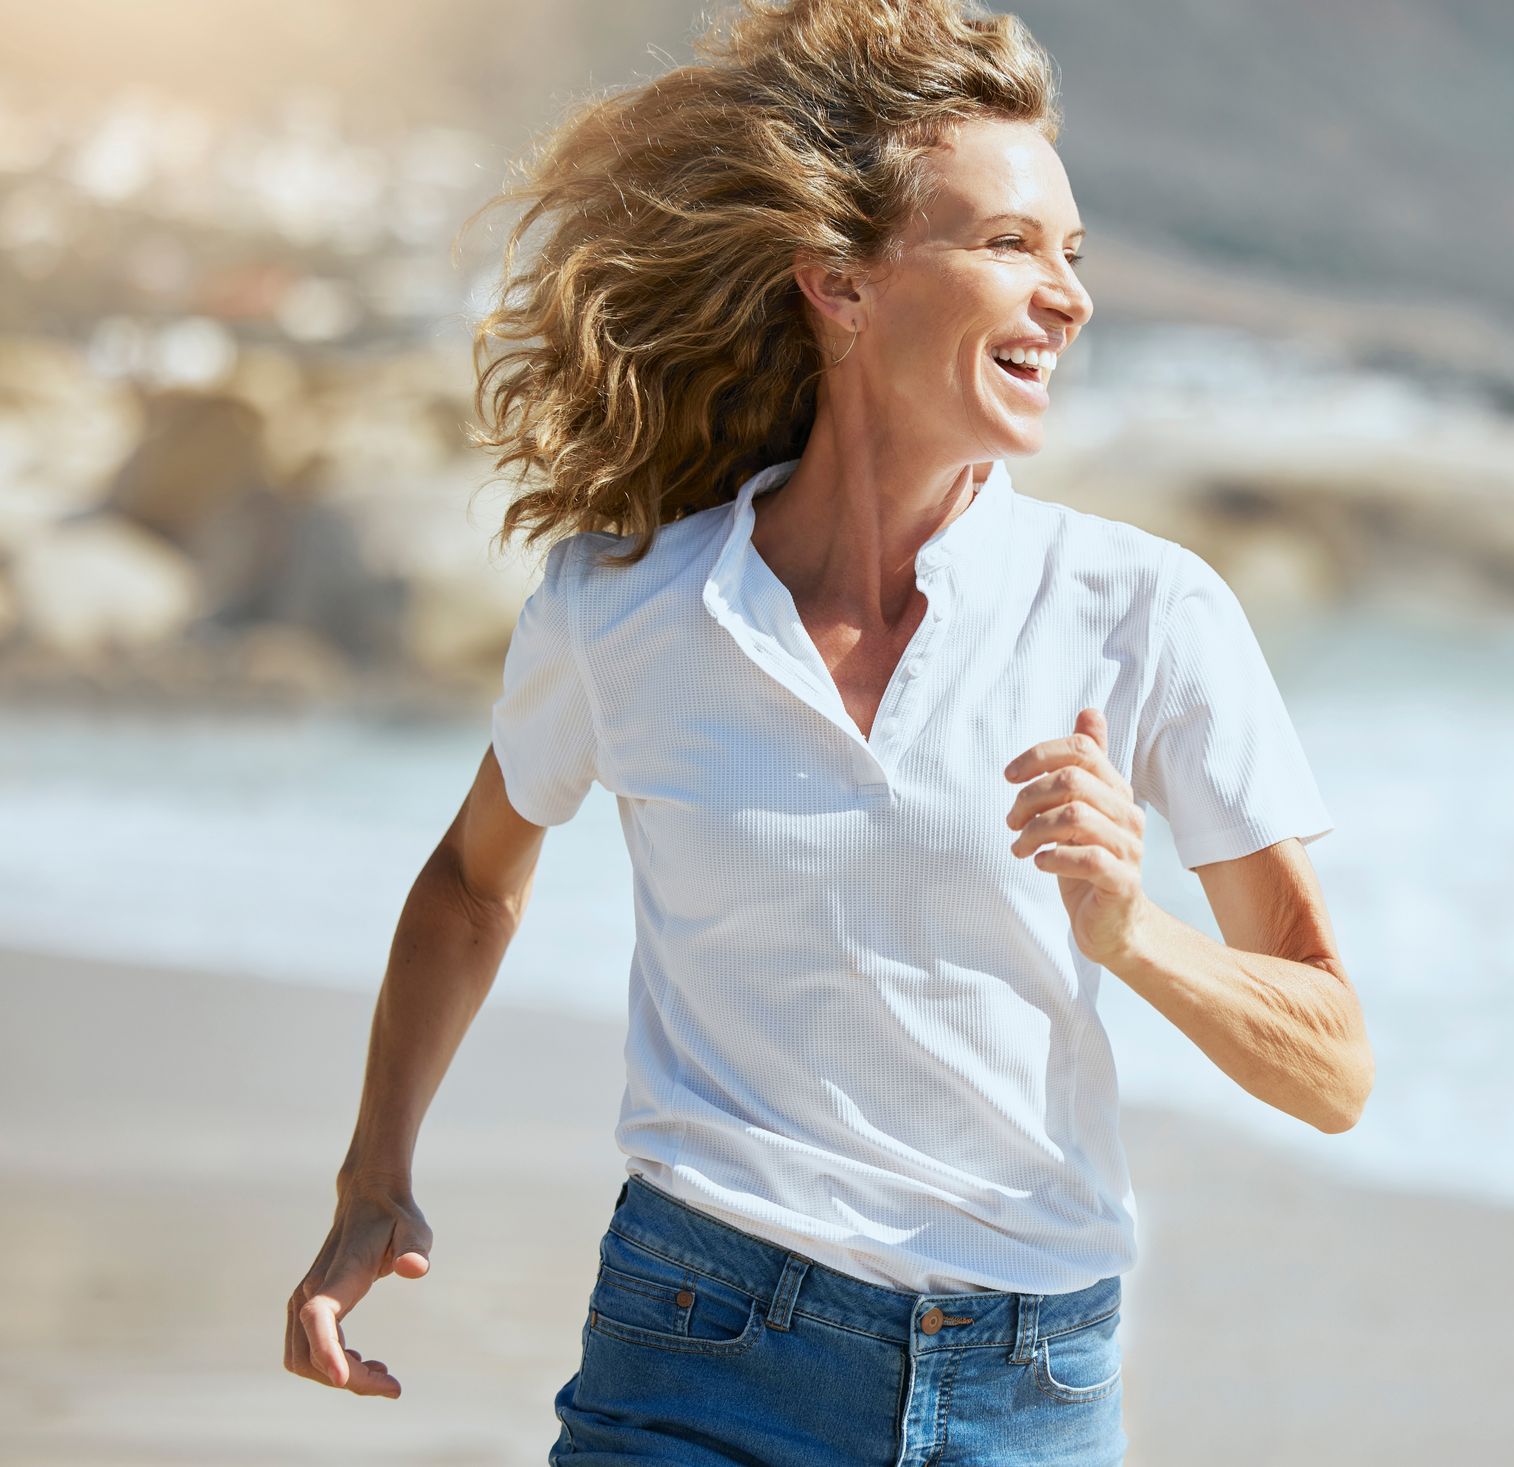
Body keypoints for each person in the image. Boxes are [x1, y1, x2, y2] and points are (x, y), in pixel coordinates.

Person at [283, 0, 1371, 1460]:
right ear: (842, 286)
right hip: (700, 1342)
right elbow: (475, 881)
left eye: (1073, 253)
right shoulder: (627, 608)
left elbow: (1334, 1066)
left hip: (1026, 1386)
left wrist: (1132, 932)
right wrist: (375, 1173)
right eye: (1008, 244)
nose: (1069, 296)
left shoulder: (1143, 610)